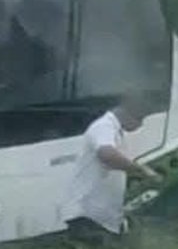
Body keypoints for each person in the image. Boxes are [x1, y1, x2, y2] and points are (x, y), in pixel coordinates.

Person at [60, 95, 163, 246]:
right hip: (88, 215)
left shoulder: (114, 131)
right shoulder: (104, 127)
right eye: (139, 120)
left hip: (101, 217)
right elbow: (106, 155)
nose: (140, 126)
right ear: (127, 114)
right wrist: (142, 170)